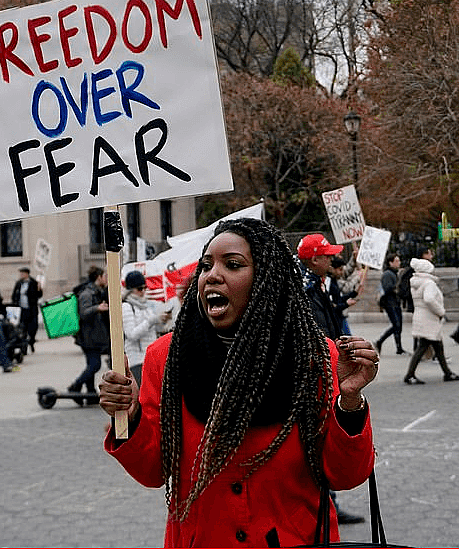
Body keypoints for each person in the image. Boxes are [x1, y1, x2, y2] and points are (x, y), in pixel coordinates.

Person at [99, 217, 378, 547]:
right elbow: (152, 472)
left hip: (294, 538)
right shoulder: (166, 356)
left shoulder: (317, 356)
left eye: (232, 265)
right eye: (206, 265)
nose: (212, 275)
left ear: (266, 280)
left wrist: (349, 403)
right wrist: (129, 418)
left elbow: (345, 476)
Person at [403, 257, 459, 385]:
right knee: (423, 347)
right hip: (429, 318)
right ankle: (410, 374)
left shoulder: (416, 282)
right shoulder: (428, 283)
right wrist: (441, 311)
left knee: (437, 346)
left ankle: (447, 372)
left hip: (421, 316)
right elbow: (429, 299)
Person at [122, 270, 172, 383]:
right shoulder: (126, 306)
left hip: (151, 358)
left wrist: (163, 321)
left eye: (145, 287)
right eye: (140, 288)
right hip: (136, 360)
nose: (143, 291)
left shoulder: (147, 305)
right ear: (130, 290)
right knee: (141, 396)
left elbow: (155, 330)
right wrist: (152, 320)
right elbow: (132, 334)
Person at [68, 266, 109, 396]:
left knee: (91, 364)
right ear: (99, 277)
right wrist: (97, 308)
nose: (106, 279)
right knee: (95, 365)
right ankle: (75, 386)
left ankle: (90, 392)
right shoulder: (87, 293)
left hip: (93, 335)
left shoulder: (96, 291)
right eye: (105, 276)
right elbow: (84, 313)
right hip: (88, 336)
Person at [297, 233, 344, 341]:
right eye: (327, 256)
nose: (331, 260)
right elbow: (321, 332)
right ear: (314, 260)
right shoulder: (306, 291)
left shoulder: (314, 283)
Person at [375, 253, 406, 355]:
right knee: (396, 325)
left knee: (399, 325)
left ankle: (399, 348)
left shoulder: (394, 273)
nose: (399, 263)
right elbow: (387, 288)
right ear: (390, 262)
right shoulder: (387, 274)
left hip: (395, 302)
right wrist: (397, 286)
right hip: (390, 303)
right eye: (396, 261)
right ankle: (380, 341)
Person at [11, 266, 43, 352]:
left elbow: (39, 295)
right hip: (22, 310)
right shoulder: (18, 283)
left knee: (33, 329)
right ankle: (23, 348)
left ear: (27, 274)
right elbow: (14, 295)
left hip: (31, 310)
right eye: (20, 273)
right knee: (22, 330)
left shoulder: (34, 283)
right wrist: (15, 304)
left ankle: (31, 342)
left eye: (22, 273)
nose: (21, 275)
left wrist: (39, 288)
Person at [328, 256, 360, 336]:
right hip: (334, 320)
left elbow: (338, 299)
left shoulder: (334, 281)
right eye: (340, 270)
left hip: (339, 318)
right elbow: (333, 306)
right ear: (332, 269)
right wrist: (346, 304)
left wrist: (354, 293)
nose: (342, 273)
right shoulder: (328, 283)